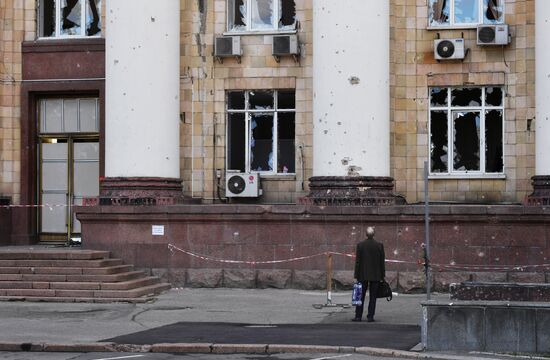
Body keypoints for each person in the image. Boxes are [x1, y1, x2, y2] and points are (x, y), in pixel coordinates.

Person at [352, 226, 386, 322]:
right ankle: (370, 316)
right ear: (373, 234)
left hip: (362, 274)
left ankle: (358, 316)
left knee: (360, 296)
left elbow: (358, 262)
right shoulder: (379, 245)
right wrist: (382, 275)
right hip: (376, 275)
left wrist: (356, 275)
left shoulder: (360, 245)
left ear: (366, 235)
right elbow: (381, 262)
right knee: (373, 297)